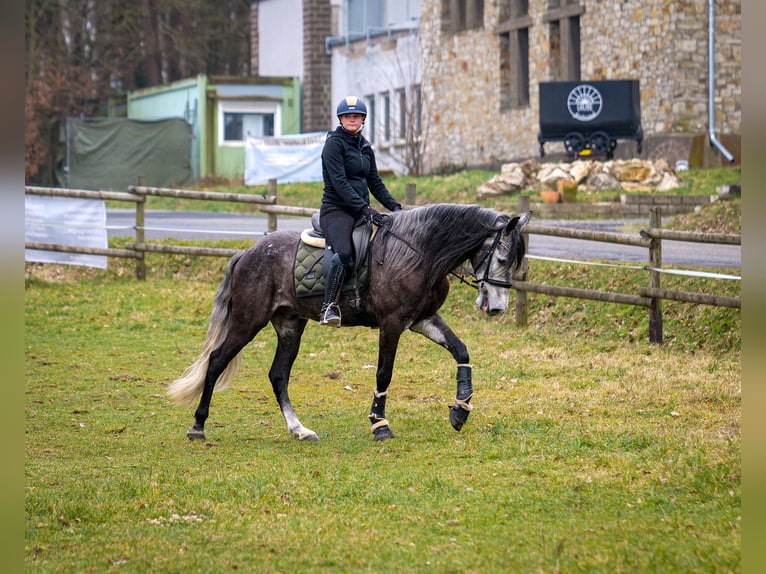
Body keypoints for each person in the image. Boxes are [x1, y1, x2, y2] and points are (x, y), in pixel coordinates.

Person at [319, 96, 402, 327]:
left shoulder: (365, 147)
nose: (352, 120)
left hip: (360, 212)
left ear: (363, 119)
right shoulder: (333, 145)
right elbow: (340, 184)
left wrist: (395, 208)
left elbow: (375, 182)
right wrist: (366, 210)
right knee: (344, 252)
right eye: (347, 116)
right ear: (341, 119)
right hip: (336, 211)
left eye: (356, 116)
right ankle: (329, 307)